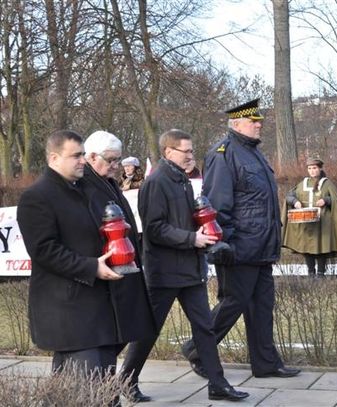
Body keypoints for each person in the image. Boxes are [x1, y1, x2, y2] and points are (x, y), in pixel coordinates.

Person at [17, 130, 155, 400]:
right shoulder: (37, 196)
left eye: (83, 154)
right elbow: (44, 250)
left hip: (93, 309)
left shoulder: (81, 189)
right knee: (94, 392)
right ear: (54, 158)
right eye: (76, 155)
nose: (83, 160)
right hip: (68, 310)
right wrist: (92, 267)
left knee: (81, 390)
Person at [120, 129, 248, 402]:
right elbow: (154, 229)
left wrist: (203, 229)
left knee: (205, 328)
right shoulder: (156, 182)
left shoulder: (182, 180)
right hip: (165, 272)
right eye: (186, 151)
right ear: (168, 152)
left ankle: (217, 384)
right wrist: (192, 238)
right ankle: (126, 381)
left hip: (190, 270)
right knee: (148, 330)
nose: (191, 155)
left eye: (192, 150)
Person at [182, 99, 301, 379]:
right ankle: (196, 349)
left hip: (261, 246)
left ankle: (266, 363)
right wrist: (225, 243)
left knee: (262, 306)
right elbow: (217, 203)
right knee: (233, 303)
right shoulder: (223, 154)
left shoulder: (254, 153)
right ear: (237, 124)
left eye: (259, 120)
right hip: (239, 247)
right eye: (253, 121)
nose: (259, 124)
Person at [282, 157, 337, 276]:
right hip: (306, 222)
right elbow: (289, 196)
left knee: (321, 247)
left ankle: (320, 273)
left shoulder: (327, 184)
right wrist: (295, 201)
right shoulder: (302, 184)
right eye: (309, 168)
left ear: (320, 169)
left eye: (314, 168)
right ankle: (311, 272)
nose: (312, 171)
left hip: (323, 222)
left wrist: (326, 200)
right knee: (307, 248)